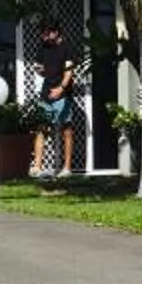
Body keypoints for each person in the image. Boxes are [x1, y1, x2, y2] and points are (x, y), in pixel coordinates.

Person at [33, 17, 83, 178]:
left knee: (66, 130)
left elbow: (69, 72)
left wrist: (60, 89)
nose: (44, 37)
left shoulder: (67, 47)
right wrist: (39, 69)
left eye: (46, 33)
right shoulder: (43, 47)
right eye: (42, 34)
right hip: (46, 92)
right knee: (41, 128)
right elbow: (38, 66)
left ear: (56, 32)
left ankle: (67, 168)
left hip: (63, 94)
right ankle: (37, 167)